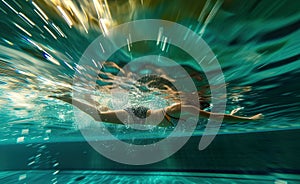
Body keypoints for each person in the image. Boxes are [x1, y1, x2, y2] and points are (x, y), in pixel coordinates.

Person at [50, 94, 263, 127]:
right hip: (138, 114)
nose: (203, 110)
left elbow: (220, 118)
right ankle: (69, 98)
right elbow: (218, 118)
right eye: (203, 106)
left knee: (103, 114)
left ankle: (95, 101)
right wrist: (248, 119)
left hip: (140, 115)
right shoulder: (185, 108)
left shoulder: (186, 110)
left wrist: (237, 118)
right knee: (98, 118)